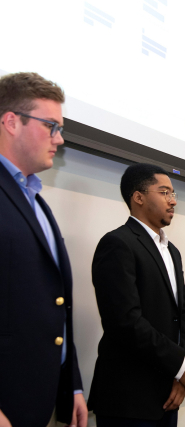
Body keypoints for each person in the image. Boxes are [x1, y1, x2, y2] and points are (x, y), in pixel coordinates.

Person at [0, 72, 88, 427]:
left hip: (41, 402)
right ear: (11, 122)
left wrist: (74, 387)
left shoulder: (37, 203)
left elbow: (56, 304)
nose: (59, 138)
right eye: (50, 125)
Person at [88, 163, 185, 427]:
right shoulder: (117, 244)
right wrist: (181, 365)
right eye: (164, 192)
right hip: (128, 399)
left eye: (173, 194)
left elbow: (182, 315)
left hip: (168, 394)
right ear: (138, 197)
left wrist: (182, 372)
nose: (173, 201)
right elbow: (125, 322)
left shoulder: (172, 251)